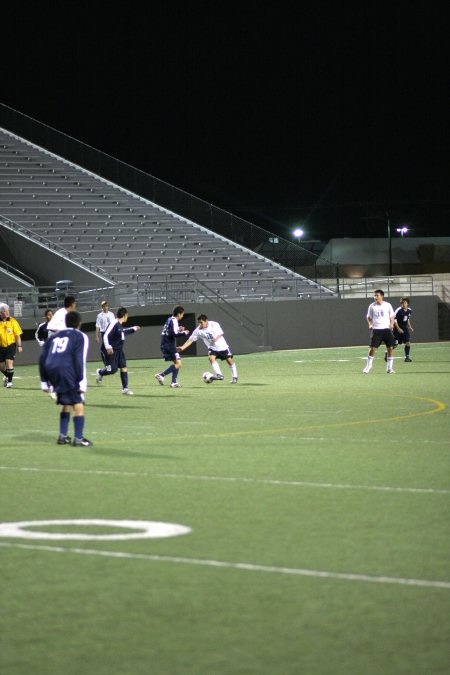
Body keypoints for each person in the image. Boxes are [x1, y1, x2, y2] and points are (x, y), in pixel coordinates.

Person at [39, 310, 92, 446]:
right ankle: (78, 439)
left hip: (51, 368)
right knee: (78, 404)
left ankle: (62, 436)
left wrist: (44, 381)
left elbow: (42, 356)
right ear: (79, 323)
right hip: (66, 370)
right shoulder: (80, 336)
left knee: (66, 403)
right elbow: (80, 359)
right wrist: (81, 382)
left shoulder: (54, 336)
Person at [179, 314, 238, 383]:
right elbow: (190, 340)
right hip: (212, 348)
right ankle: (219, 375)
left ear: (206, 321)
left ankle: (235, 377)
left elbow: (221, 333)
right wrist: (182, 347)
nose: (200, 324)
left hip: (222, 346)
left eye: (201, 322)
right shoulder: (198, 331)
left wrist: (216, 338)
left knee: (229, 361)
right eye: (199, 323)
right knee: (211, 358)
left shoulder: (214, 324)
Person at [95, 307, 140, 395]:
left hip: (119, 350)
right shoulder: (114, 323)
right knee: (111, 370)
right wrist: (108, 347)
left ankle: (125, 389)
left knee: (123, 367)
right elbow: (105, 335)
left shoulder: (119, 325)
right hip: (109, 351)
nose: (127, 316)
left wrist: (134, 328)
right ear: (124, 315)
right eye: (127, 315)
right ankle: (100, 372)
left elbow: (123, 332)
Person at [154, 305, 189, 388]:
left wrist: (179, 329)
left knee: (177, 362)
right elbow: (172, 333)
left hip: (165, 343)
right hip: (168, 344)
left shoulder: (170, 319)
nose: (182, 316)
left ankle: (174, 382)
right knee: (179, 363)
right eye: (182, 314)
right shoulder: (174, 320)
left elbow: (171, 331)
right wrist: (184, 333)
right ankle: (162, 375)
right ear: (179, 314)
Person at [363, 289, 396, 374]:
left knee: (390, 348)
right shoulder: (372, 306)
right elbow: (369, 317)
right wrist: (370, 324)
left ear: (382, 296)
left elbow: (392, 316)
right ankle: (368, 366)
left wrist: (392, 324)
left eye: (377, 295)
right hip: (376, 330)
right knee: (373, 349)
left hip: (387, 330)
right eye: (374, 295)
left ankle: (389, 368)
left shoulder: (388, 305)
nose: (375, 297)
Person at [0, 303, 23, 388]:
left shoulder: (13, 321)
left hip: (11, 345)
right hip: (0, 347)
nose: (7, 312)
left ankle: (9, 382)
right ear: (1, 313)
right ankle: (7, 375)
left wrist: (19, 346)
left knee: (9, 362)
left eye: (8, 311)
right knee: (1, 366)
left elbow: (17, 335)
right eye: (5, 311)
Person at [393, 297, 414, 362]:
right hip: (396, 328)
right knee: (395, 344)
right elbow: (394, 320)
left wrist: (410, 327)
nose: (403, 304)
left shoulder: (409, 310)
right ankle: (387, 353)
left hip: (405, 329)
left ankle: (407, 357)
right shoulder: (398, 310)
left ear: (407, 304)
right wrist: (398, 328)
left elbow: (407, 319)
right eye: (402, 303)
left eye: (405, 303)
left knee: (407, 343)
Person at [95, 300, 115, 365]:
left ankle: (112, 363)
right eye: (104, 306)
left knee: (112, 347)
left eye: (106, 306)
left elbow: (114, 324)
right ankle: (106, 363)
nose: (106, 307)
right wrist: (97, 336)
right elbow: (97, 326)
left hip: (111, 333)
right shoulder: (100, 315)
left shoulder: (111, 314)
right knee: (104, 348)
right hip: (104, 333)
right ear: (102, 307)